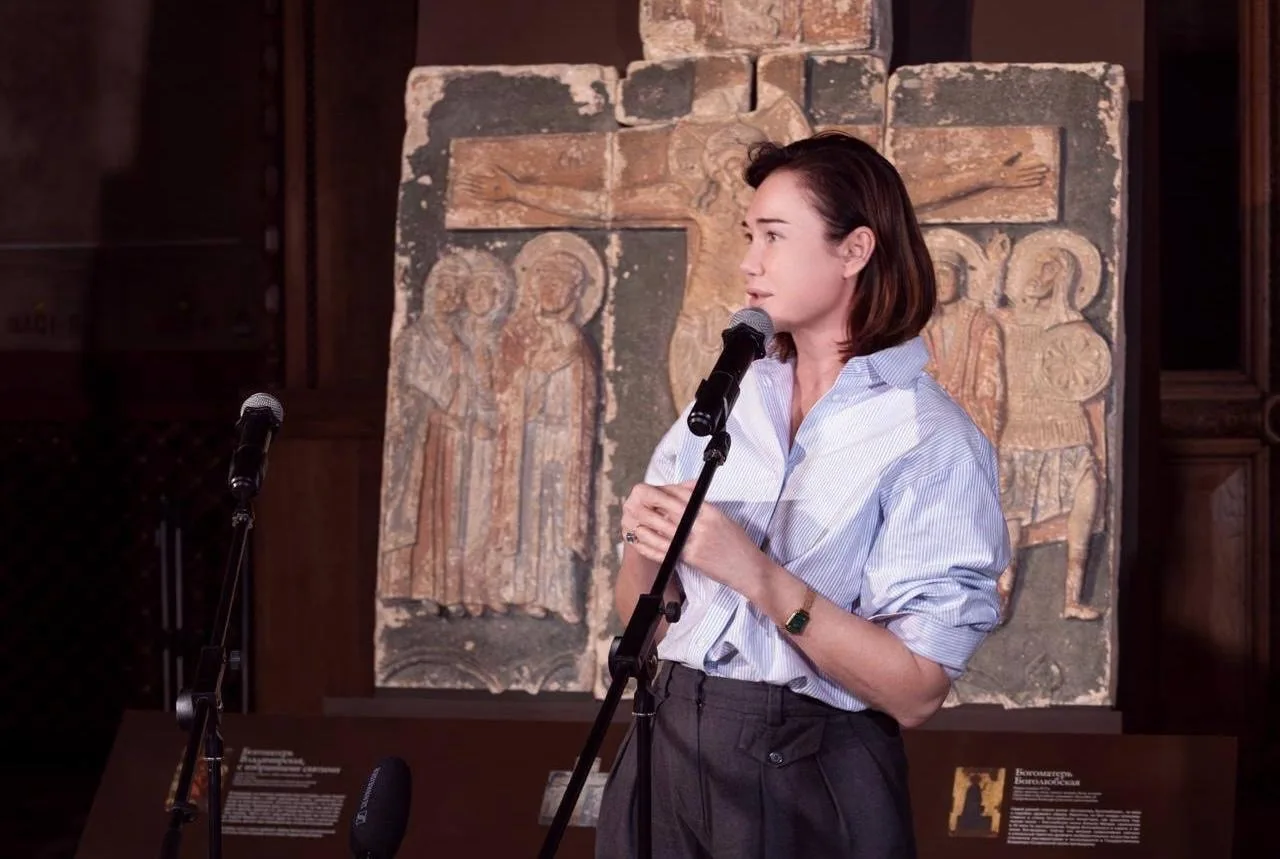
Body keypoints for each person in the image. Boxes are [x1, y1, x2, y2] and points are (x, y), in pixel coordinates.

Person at [595, 131, 1009, 858]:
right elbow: (645, 622)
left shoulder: (930, 437)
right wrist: (646, 546)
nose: (749, 261)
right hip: (666, 740)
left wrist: (755, 574)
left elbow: (916, 691)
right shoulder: (730, 396)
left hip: (808, 765)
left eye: (775, 236)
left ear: (855, 250)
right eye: (749, 235)